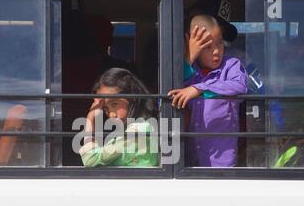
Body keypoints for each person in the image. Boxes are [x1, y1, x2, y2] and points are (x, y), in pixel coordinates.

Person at [167, 14, 247, 167]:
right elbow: (166, 96)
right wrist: (188, 57)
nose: (216, 51)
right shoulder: (186, 72)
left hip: (222, 161)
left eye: (220, 43)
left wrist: (199, 89)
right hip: (189, 160)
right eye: (207, 47)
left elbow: (240, 86)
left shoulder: (231, 66)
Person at [79, 68, 159, 167]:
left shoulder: (139, 130)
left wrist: (90, 118)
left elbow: (91, 160)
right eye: (105, 109)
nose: (111, 115)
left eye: (115, 104)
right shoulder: (130, 131)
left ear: (132, 98)